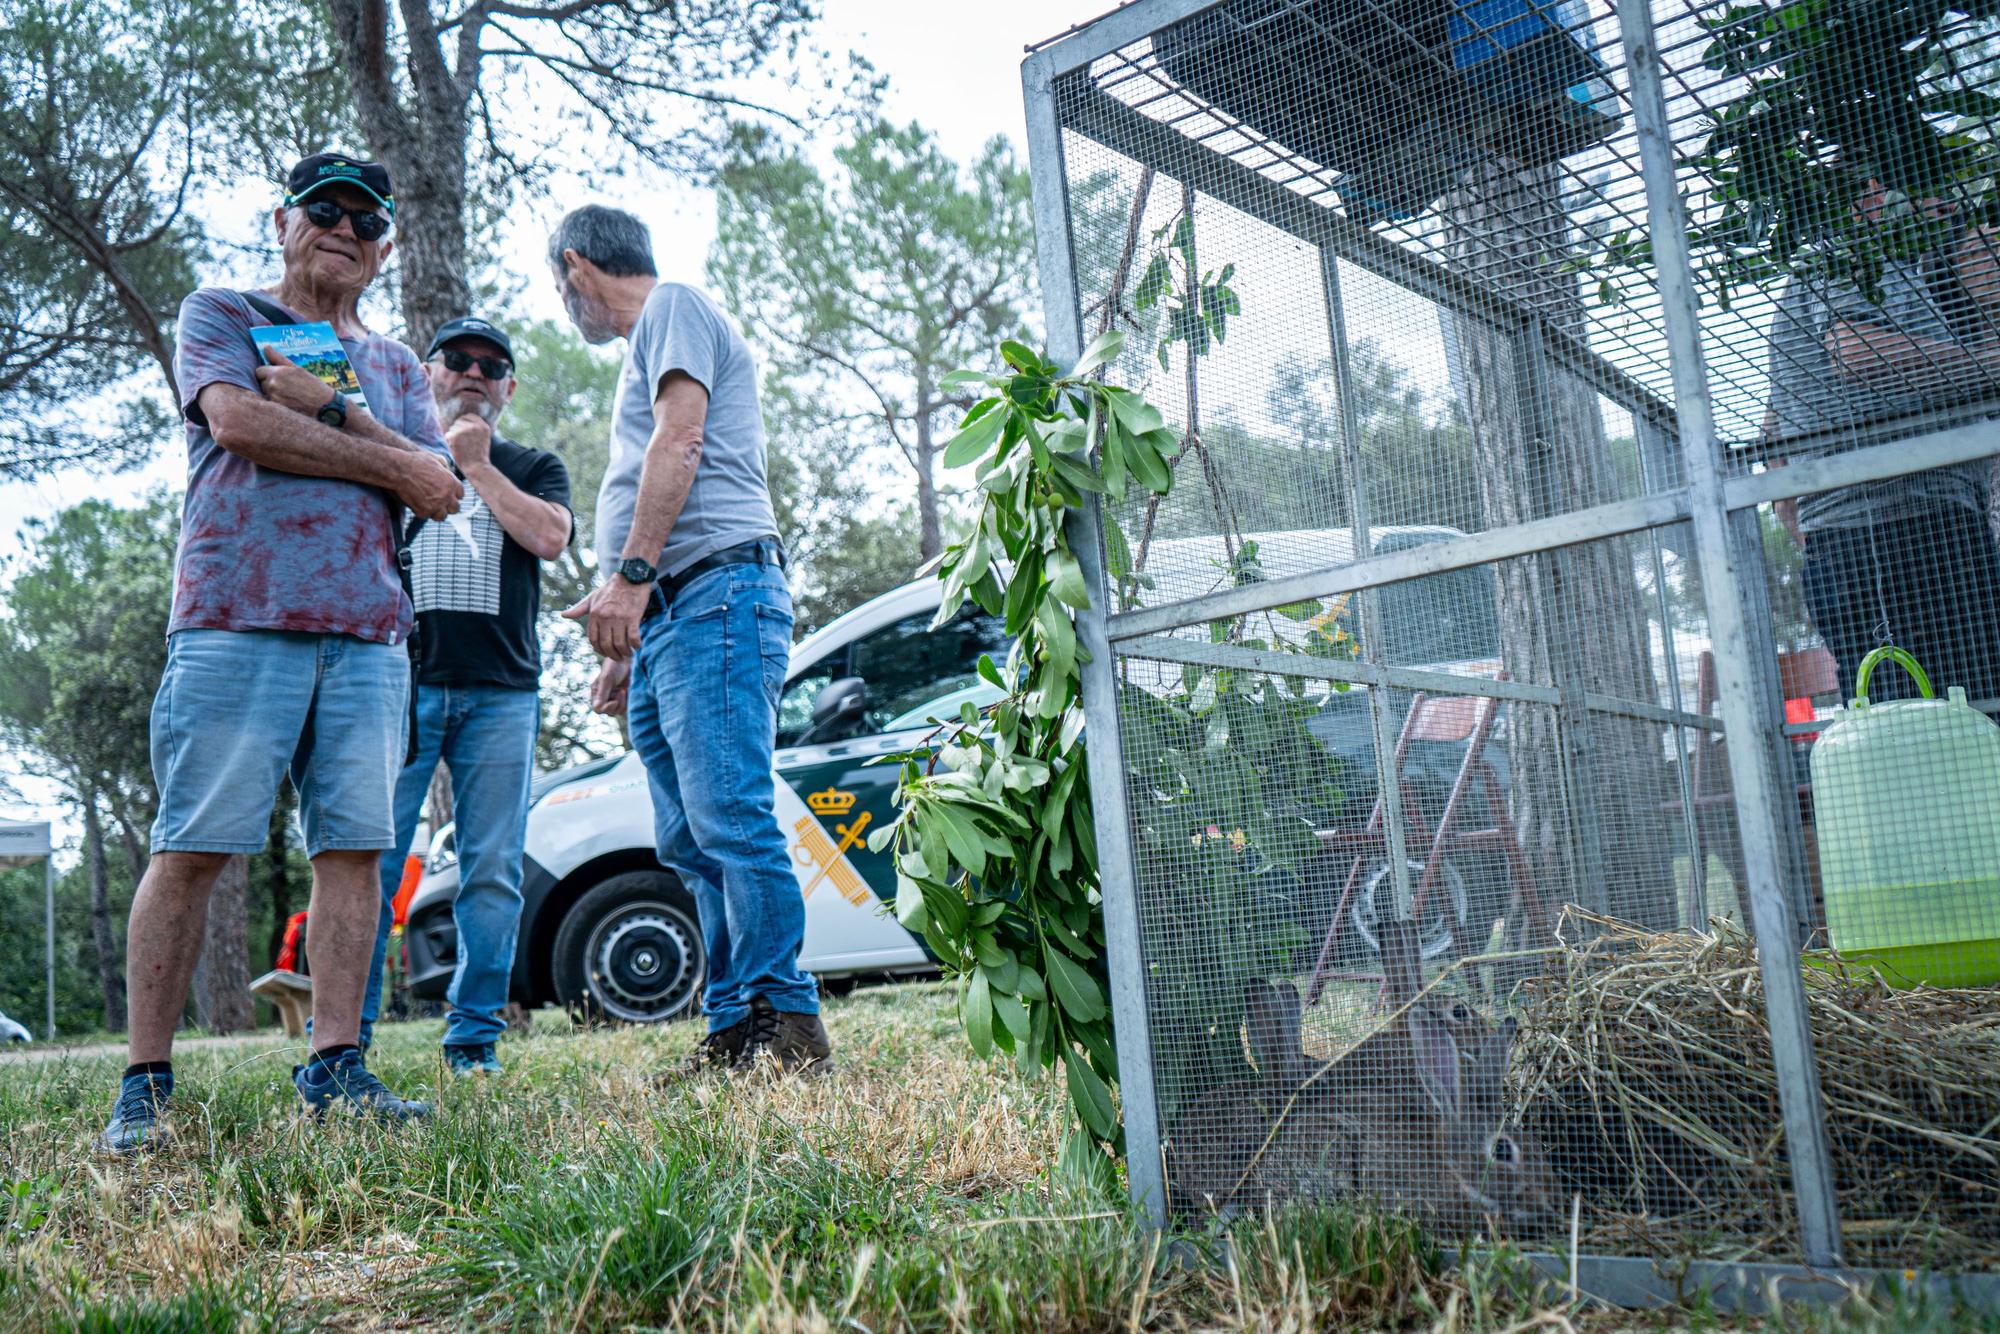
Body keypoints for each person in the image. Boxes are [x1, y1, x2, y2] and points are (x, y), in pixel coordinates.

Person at [99, 153, 462, 1154]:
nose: (345, 229)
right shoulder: (223, 309)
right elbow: (239, 420)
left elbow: (441, 485)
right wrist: (383, 455)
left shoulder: (390, 362)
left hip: (368, 634)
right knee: (194, 843)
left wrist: (331, 408)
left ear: (385, 245)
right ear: (283, 219)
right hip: (234, 617)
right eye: (325, 210)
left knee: (355, 850)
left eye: (368, 220)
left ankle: (336, 1066)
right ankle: (144, 1083)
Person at [549, 204, 831, 1075]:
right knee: (687, 838)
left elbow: (682, 442)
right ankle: (733, 1027)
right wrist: (626, 646)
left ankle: (788, 1025)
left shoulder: (672, 306)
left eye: (563, 290)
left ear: (575, 269)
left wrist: (628, 583)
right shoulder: (650, 343)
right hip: (672, 617)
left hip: (714, 594)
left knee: (730, 819)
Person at [355, 315, 572, 1074]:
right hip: (399, 686)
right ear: (429, 371)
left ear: (509, 387)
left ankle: (474, 1040)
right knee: (367, 865)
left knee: (492, 871)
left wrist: (477, 468)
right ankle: (346, 1040)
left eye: (493, 364)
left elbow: (550, 537)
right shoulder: (390, 452)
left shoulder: (533, 465)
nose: (475, 372)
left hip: (503, 695)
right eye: (459, 359)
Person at [1764, 183, 2000, 704]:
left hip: (1885, 534)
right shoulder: (1855, 255)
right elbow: (1858, 352)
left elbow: (1774, 434)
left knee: (1957, 715)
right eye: (1928, 182)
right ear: (1869, 190)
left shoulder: (1926, 280)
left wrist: (1810, 535)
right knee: (1933, 719)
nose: (1950, 203)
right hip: (1895, 531)